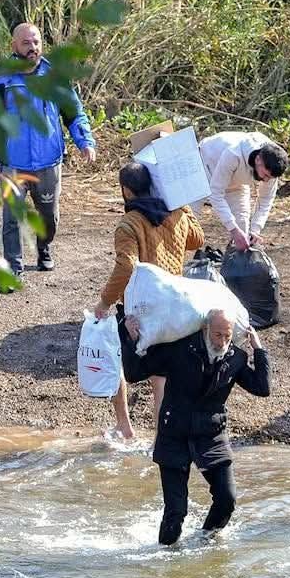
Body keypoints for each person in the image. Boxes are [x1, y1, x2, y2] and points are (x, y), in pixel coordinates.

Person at [119, 308, 271, 545]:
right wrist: (129, 338)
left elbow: (262, 387)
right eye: (217, 334)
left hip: (211, 435)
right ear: (205, 329)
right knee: (175, 513)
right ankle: (166, 559)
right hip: (174, 434)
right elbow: (134, 373)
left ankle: (205, 541)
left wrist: (259, 350)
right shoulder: (179, 348)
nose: (222, 341)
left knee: (226, 500)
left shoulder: (235, 358)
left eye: (227, 336)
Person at [92, 162, 205, 438]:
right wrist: (183, 202)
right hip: (173, 304)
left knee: (115, 357)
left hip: (139, 306)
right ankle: (160, 438)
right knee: (161, 378)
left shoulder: (128, 224)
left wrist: (105, 302)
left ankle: (125, 426)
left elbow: (126, 266)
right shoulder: (176, 213)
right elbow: (198, 240)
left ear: (126, 191)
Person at [0, 23, 96, 275]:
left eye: (36, 42)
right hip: (13, 162)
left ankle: (44, 247)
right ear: (13, 46)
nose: (32, 48)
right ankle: (13, 266)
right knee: (11, 218)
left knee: (48, 217)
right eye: (26, 43)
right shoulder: (2, 79)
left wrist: (85, 141)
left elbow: (74, 113)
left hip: (48, 161)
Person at [196, 132, 289, 251]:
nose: (266, 181)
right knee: (189, 220)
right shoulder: (233, 153)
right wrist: (233, 230)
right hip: (205, 165)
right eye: (265, 175)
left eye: (269, 178)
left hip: (236, 180)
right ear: (258, 159)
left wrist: (255, 230)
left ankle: (233, 266)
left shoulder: (271, 166)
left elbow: (265, 199)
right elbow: (216, 193)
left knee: (243, 233)